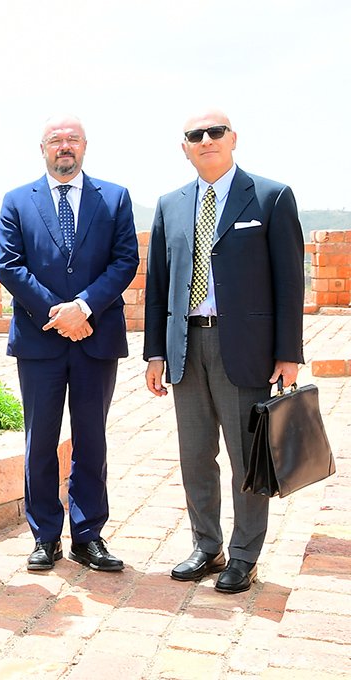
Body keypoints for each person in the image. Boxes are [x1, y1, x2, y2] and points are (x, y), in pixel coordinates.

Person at [144, 109, 304, 594]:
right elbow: (158, 284)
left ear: (233, 138)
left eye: (215, 132)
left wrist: (288, 353)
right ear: (185, 147)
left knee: (246, 458)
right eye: (196, 135)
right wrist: (155, 353)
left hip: (246, 349)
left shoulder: (271, 196)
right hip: (186, 346)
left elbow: (289, 281)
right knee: (195, 455)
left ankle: (244, 555)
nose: (206, 140)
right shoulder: (169, 205)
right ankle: (206, 545)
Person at [0, 115, 139, 573]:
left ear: (85, 146)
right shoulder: (17, 200)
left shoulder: (114, 198)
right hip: (40, 340)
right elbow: (10, 266)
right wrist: (59, 315)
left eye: (72, 139)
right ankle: (44, 536)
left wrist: (84, 307)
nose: (65, 146)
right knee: (40, 440)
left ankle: (88, 535)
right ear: (42, 149)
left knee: (91, 439)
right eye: (56, 140)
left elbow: (125, 261)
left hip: (96, 338)